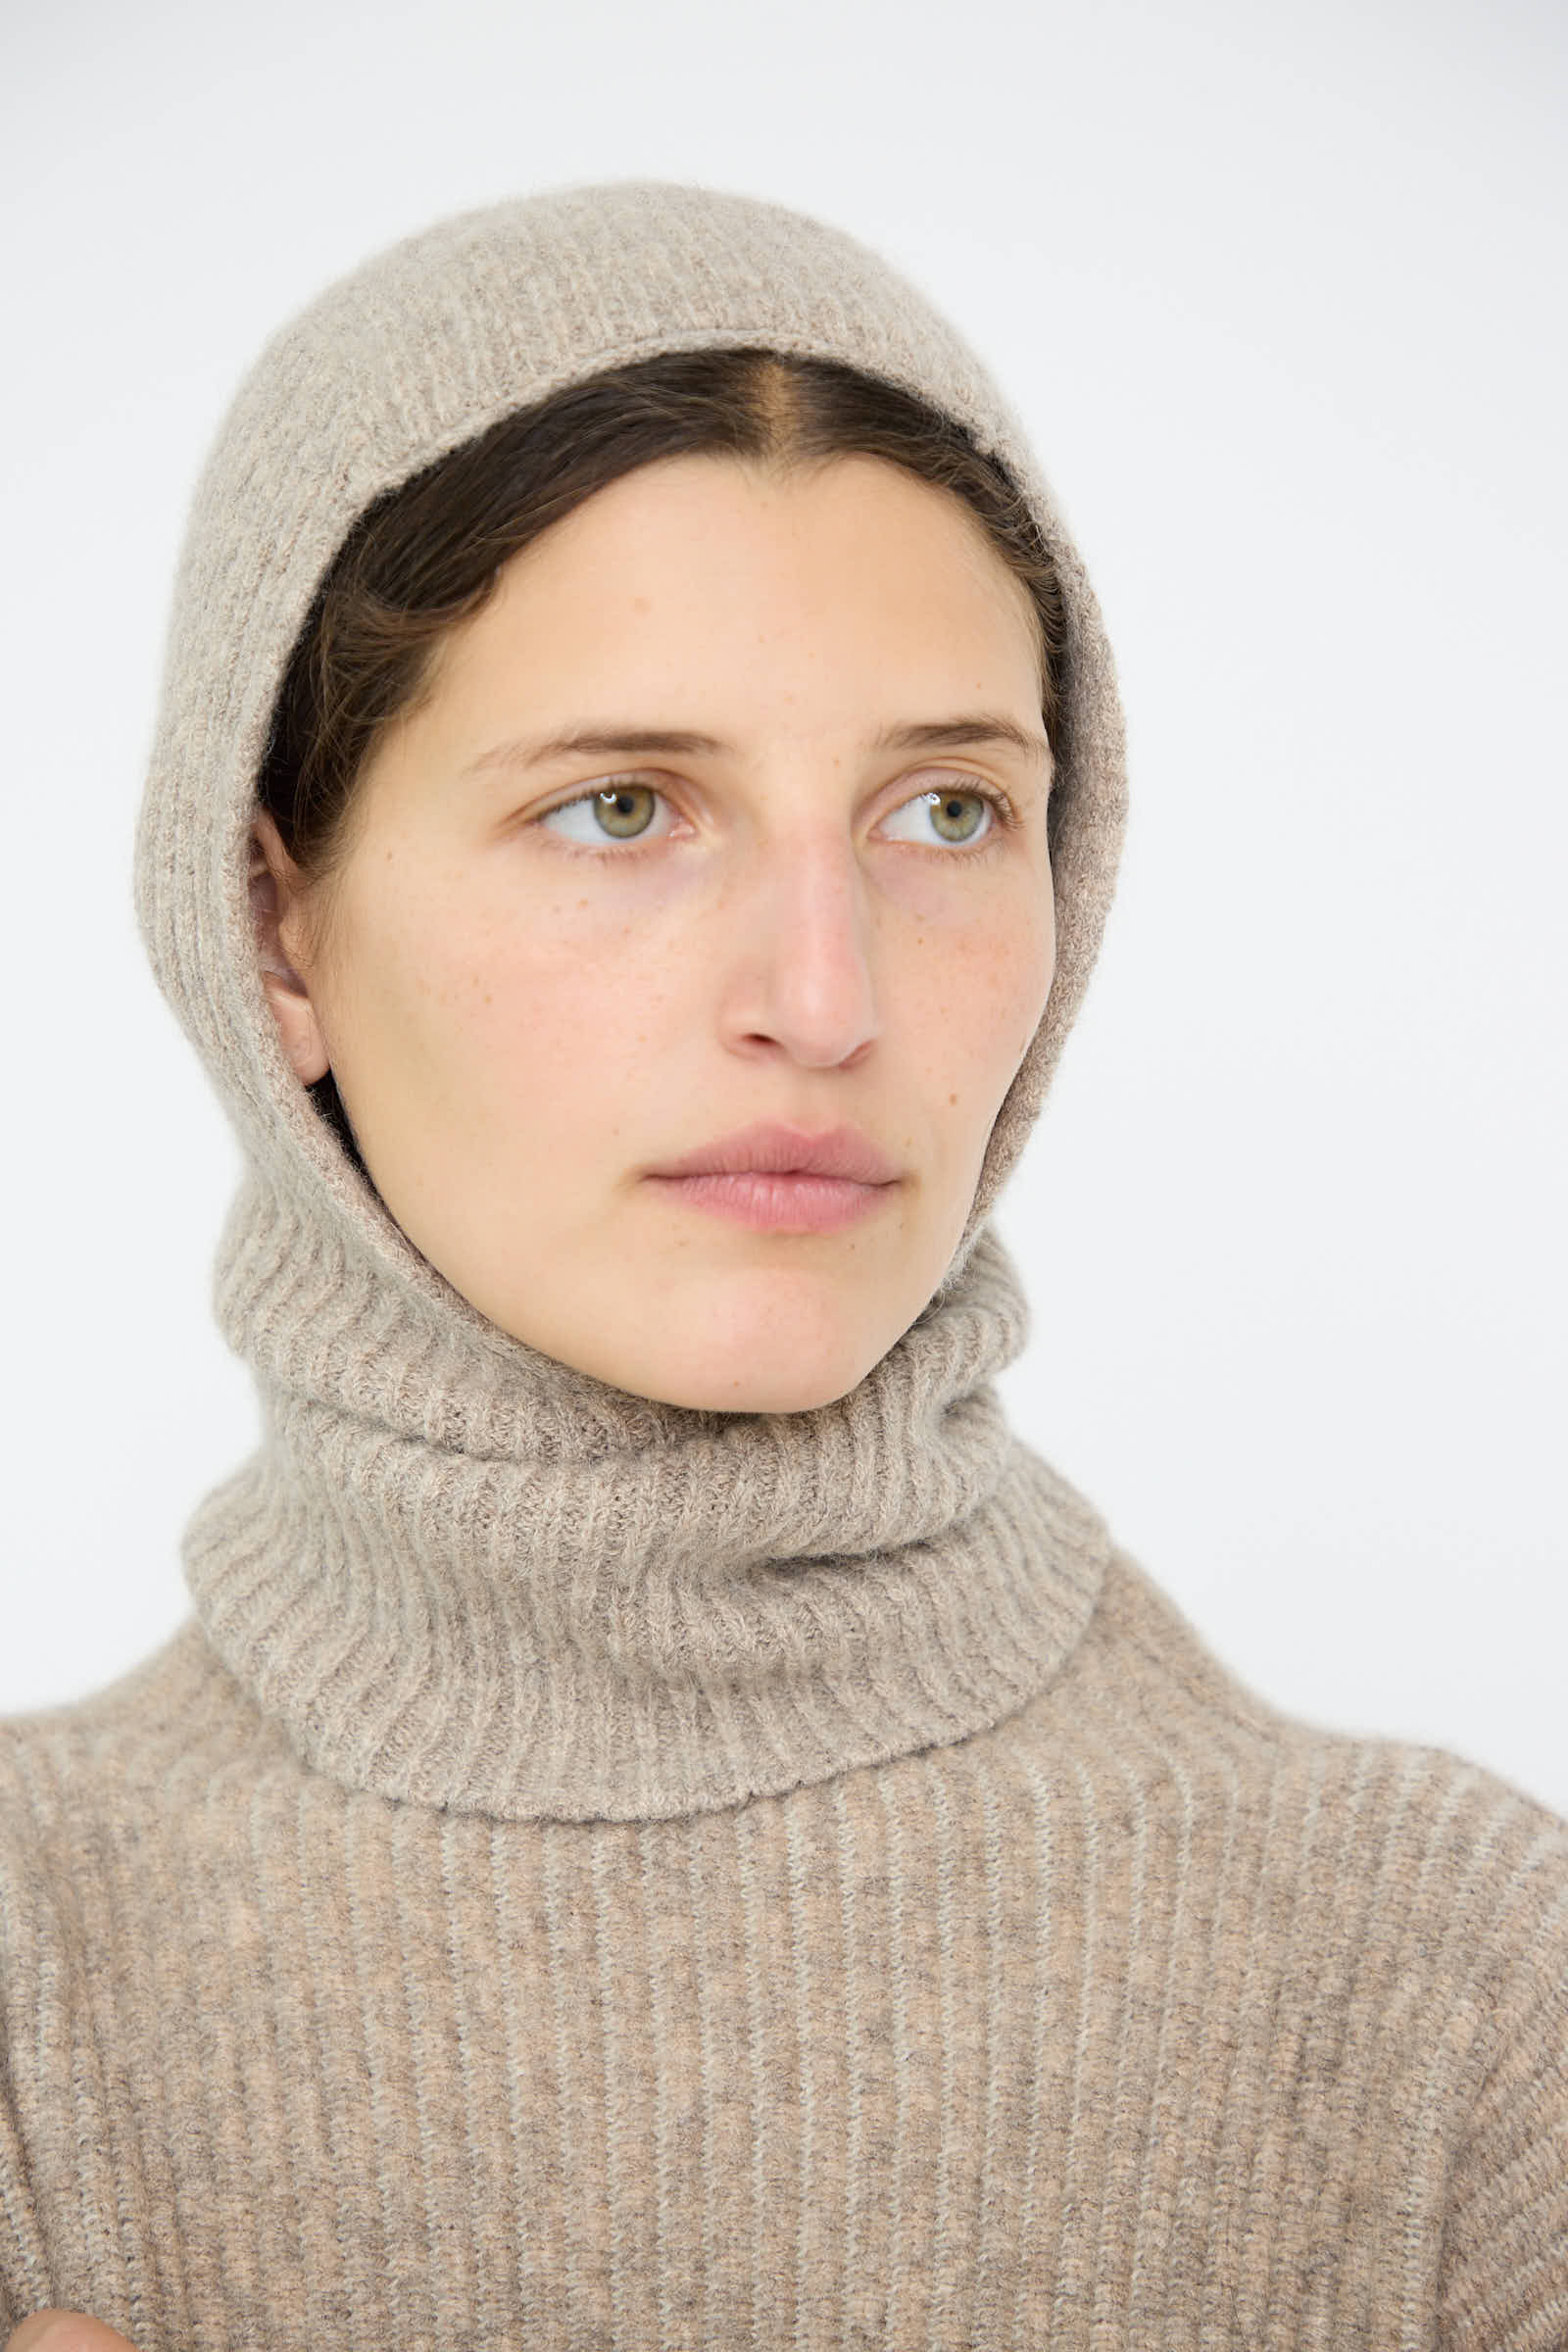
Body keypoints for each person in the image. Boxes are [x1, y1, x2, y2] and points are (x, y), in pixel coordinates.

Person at [1, 178, 1563, 2352]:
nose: (823, 1000)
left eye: (942, 814)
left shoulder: (1460, 2005)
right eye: (622, 809)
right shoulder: (26, 2006)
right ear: (274, 929)